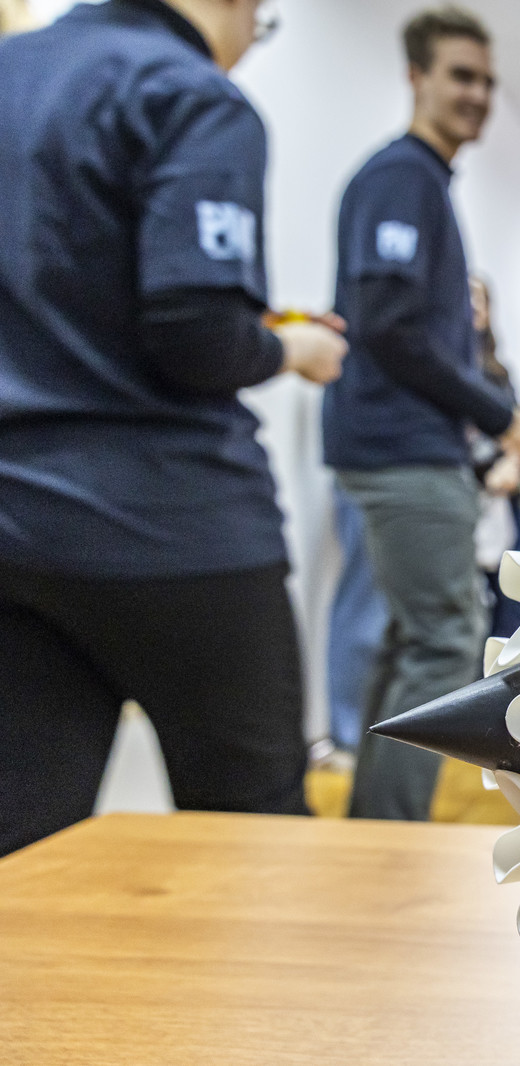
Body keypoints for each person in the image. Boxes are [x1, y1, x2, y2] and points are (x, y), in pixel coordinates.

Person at [0, 0, 349, 856]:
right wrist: (293, 347)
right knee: (252, 840)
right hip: (174, 529)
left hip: (16, 525)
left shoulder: (13, 73)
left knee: (27, 847)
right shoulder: (189, 94)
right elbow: (197, 337)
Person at [322, 6, 520, 821]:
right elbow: (389, 328)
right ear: (416, 77)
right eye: (460, 76)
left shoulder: (425, 184)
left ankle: (374, 823)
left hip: (411, 447)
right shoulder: (402, 179)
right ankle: (390, 826)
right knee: (447, 638)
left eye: (486, 81)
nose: (477, 94)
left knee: (407, 639)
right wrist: (501, 414)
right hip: (400, 452)